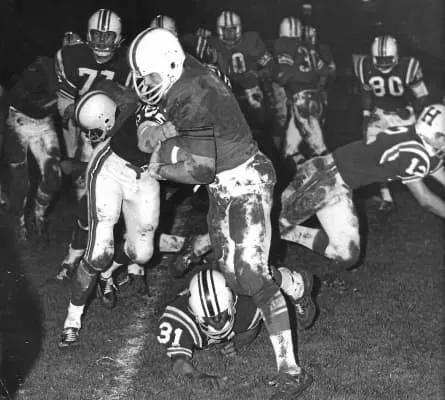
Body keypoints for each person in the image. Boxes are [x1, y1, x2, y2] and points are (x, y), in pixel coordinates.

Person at [128, 27, 315, 398]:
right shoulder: (184, 72)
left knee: (251, 274)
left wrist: (160, 169)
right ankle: (296, 284)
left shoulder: (190, 93)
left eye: (149, 76)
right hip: (223, 182)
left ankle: (291, 371)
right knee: (235, 278)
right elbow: (160, 135)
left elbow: (200, 170)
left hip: (244, 180)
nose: (144, 84)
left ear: (169, 66)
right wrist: (161, 139)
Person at [279, 103, 445, 270]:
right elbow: (426, 199)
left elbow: (438, 171)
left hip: (339, 185)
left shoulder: (412, 134)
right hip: (322, 177)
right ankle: (282, 237)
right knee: (273, 224)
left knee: (346, 255)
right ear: (435, 134)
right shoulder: (414, 152)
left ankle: (289, 232)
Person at [55, 9, 148, 285]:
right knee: (87, 201)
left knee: (126, 199)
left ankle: (130, 262)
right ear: (88, 34)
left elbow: (133, 106)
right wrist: (81, 116)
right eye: (96, 35)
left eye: (108, 36)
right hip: (86, 129)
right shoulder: (73, 56)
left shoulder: (130, 61)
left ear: (119, 38)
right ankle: (75, 253)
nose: (101, 41)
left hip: (118, 131)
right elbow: (64, 103)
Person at [353, 35, 430, 212]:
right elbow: (366, 93)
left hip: (404, 114)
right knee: (376, 153)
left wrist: (411, 108)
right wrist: (366, 115)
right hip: (379, 114)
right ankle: (386, 196)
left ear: (396, 56)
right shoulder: (365, 67)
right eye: (380, 60)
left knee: (414, 151)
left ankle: (421, 189)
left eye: (387, 59)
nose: (383, 64)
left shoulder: (408, 67)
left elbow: (422, 95)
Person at [157, 268, 263, 387]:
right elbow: (179, 363)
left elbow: (251, 328)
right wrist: (198, 377)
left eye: (221, 313)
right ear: (195, 314)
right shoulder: (180, 319)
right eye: (210, 317)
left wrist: (236, 344)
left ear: (232, 303)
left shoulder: (246, 303)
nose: (217, 320)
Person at [4, 54, 61, 242]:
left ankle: (39, 215)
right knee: (20, 183)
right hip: (18, 121)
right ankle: (19, 222)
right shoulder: (41, 68)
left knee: (54, 177)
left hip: (44, 123)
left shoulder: (78, 68)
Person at [272, 17, 333, 172]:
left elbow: (283, 76)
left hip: (301, 100)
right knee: (290, 149)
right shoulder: (308, 47)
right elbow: (326, 71)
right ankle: (305, 175)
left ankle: (334, 176)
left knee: (319, 147)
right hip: (315, 98)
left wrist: (276, 76)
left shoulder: (284, 45)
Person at [208, 11, 276, 138]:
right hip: (227, 90)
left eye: (232, 29)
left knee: (259, 119)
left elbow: (270, 64)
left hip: (251, 88)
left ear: (239, 28)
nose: (229, 34)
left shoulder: (250, 41)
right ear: (219, 30)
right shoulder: (214, 44)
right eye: (226, 30)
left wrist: (260, 73)